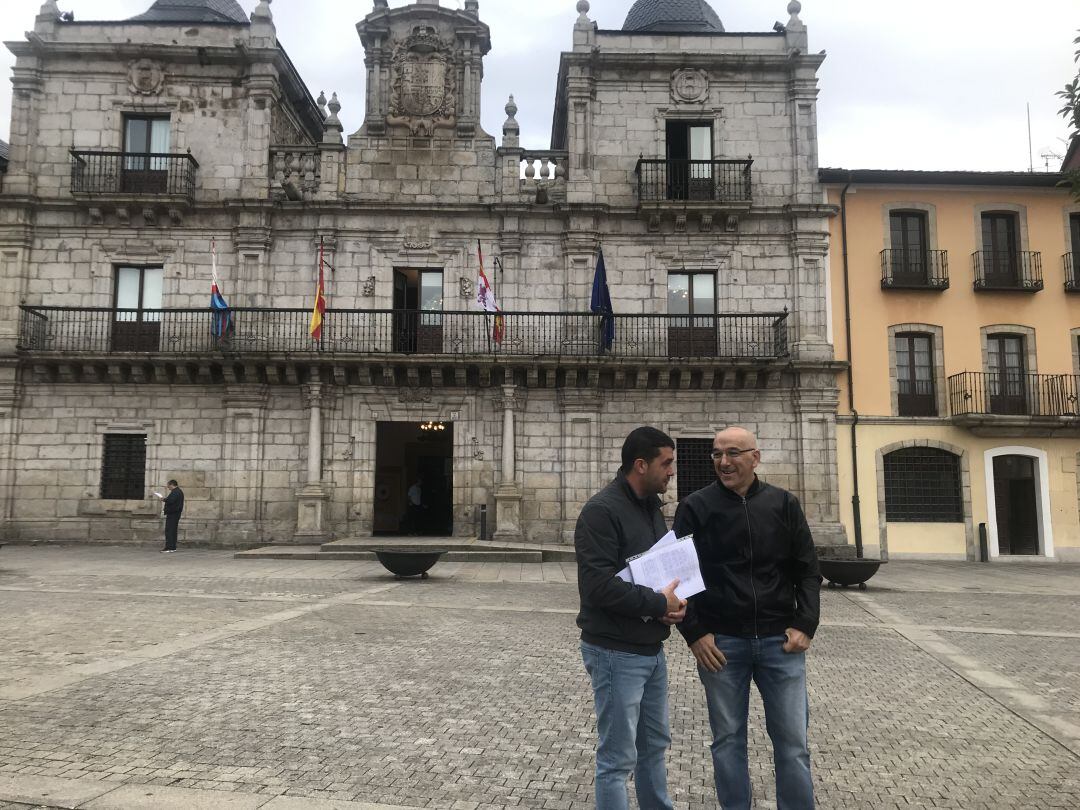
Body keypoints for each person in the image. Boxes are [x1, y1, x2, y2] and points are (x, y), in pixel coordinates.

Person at [673, 426, 821, 809]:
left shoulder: (784, 504)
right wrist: (695, 632)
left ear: (755, 457)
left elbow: (807, 569)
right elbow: (680, 576)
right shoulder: (694, 507)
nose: (724, 462)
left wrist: (805, 624)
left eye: (734, 453)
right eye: (717, 454)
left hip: (780, 642)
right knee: (727, 742)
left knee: (793, 744)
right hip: (722, 643)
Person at [575, 426, 686, 810]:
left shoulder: (652, 509)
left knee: (654, 746)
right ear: (641, 465)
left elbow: (655, 574)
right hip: (613, 652)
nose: (672, 471)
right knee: (617, 759)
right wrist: (659, 603)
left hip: (650, 649)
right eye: (666, 463)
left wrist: (673, 605)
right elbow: (597, 587)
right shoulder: (600, 512)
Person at [158, 480, 184, 553]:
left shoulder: (176, 492)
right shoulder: (178, 491)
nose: (168, 487)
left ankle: (169, 547)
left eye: (168, 485)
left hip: (173, 514)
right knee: (172, 530)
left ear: (172, 485)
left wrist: (164, 499)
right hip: (175, 514)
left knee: (170, 530)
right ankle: (172, 547)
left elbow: (171, 501)